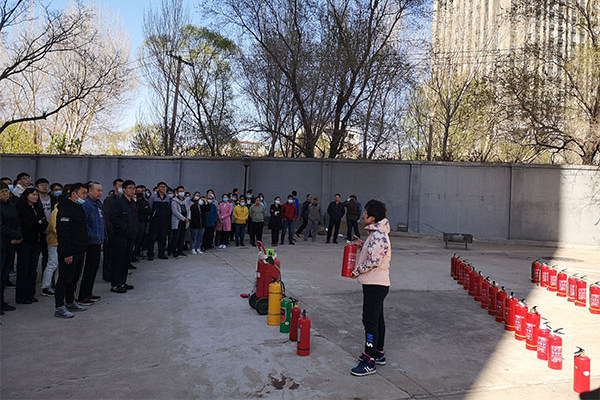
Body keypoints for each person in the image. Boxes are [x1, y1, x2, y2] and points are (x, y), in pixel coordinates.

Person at [350, 200, 391, 376]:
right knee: (377, 319)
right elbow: (373, 253)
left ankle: (369, 360)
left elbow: (373, 261)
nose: (363, 215)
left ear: (373, 217)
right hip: (375, 283)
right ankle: (378, 352)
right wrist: (361, 245)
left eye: (366, 213)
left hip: (375, 284)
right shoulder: (376, 234)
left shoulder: (378, 236)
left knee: (369, 321)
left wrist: (356, 271)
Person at [54, 183, 89, 318]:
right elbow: (63, 233)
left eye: (86, 193)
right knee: (65, 278)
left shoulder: (78, 207)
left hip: (80, 249)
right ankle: (59, 307)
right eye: (83, 193)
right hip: (69, 250)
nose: (85, 196)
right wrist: (66, 253)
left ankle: (70, 301)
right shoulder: (65, 208)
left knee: (74, 277)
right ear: (73, 194)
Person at [15, 188, 47, 304]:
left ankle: (30, 294)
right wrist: (38, 224)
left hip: (36, 241)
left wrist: (39, 224)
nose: (35, 197)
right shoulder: (21, 208)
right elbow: (26, 225)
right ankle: (22, 296)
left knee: (33, 269)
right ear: (27, 195)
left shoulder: (37, 208)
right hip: (25, 241)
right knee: (24, 268)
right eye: (33, 195)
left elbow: (43, 222)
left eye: (36, 195)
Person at [108, 180, 137, 293]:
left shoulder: (132, 202)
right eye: (130, 188)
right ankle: (115, 284)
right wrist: (124, 227)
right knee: (118, 260)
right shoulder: (119, 202)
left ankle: (123, 282)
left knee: (126, 260)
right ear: (124, 189)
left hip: (130, 236)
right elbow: (113, 217)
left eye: (133, 188)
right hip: (120, 236)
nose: (132, 190)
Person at [78, 182, 104, 305]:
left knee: (94, 268)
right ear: (90, 191)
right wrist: (93, 235)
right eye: (98, 190)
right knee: (88, 268)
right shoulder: (86, 204)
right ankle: (82, 295)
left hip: (98, 240)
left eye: (101, 190)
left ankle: (89, 292)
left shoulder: (98, 204)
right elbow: (84, 224)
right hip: (90, 241)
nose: (100, 193)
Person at [0, 182, 21, 314]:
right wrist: (14, 235)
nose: (5, 194)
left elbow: (17, 221)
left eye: (7, 191)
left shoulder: (11, 204)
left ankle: (1, 301)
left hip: (11, 244)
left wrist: (18, 234)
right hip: (3, 243)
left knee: (4, 275)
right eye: (2, 192)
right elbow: (1, 227)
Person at [102, 179, 123, 280]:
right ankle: (107, 274)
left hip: (120, 231)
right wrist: (110, 229)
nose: (121, 188)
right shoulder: (109, 199)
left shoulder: (123, 199)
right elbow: (106, 216)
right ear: (115, 187)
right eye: (119, 185)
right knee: (109, 254)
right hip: (111, 231)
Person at [147, 182, 171, 260]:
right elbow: (150, 206)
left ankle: (161, 254)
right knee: (152, 238)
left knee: (163, 238)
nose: (163, 188)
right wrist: (154, 214)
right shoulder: (153, 197)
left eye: (164, 187)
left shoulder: (167, 197)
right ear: (158, 188)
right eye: (161, 186)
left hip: (164, 221)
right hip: (155, 220)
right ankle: (150, 254)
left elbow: (168, 207)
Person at [41, 197, 59, 297]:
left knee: (58, 264)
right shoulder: (56, 211)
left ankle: (56, 284)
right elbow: (54, 227)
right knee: (52, 264)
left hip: (60, 242)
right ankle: (46, 286)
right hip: (54, 242)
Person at [36, 178, 51, 277]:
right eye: (42, 185)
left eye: (46, 185)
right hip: (39, 231)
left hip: (50, 231)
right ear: (37, 187)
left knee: (48, 256)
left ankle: (46, 277)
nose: (44, 187)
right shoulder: (35, 198)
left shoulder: (52, 198)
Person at [170, 186, 190, 257]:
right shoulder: (174, 201)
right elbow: (175, 211)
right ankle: (174, 251)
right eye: (180, 191)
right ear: (177, 192)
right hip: (178, 220)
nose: (182, 192)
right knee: (176, 237)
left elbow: (188, 210)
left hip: (185, 221)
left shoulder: (186, 201)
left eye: (182, 191)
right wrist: (183, 218)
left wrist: (188, 217)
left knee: (182, 237)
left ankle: (180, 251)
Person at [133, 185, 151, 261]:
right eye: (138, 191)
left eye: (141, 191)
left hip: (142, 222)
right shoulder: (133, 201)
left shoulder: (145, 201)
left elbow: (148, 210)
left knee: (140, 239)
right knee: (133, 240)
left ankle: (136, 253)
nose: (139, 193)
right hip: (134, 222)